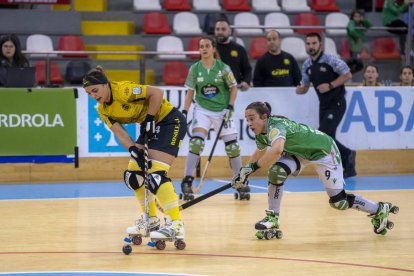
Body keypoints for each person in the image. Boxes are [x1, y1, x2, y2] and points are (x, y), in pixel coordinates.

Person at [231, 101, 399, 238]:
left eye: (252, 118)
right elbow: (260, 151)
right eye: (247, 120)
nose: (249, 123)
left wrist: (251, 169)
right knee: (276, 172)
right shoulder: (261, 133)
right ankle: (272, 217)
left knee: (339, 202)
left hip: (323, 151)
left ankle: (378, 209)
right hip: (299, 153)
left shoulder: (276, 127)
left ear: (265, 117)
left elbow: (276, 151)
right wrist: (243, 172)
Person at [82, 66, 187, 242]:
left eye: (95, 90)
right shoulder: (103, 109)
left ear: (105, 84)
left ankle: (176, 224)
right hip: (150, 126)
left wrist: (149, 118)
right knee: (133, 175)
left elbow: (157, 93)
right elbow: (119, 132)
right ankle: (151, 220)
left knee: (155, 175)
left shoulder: (123, 90)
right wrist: (132, 149)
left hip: (169, 122)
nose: (94, 96)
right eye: (89, 94)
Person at [180, 36, 248, 200]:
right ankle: (187, 181)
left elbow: (233, 88)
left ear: (213, 49)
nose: (203, 49)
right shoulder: (195, 69)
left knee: (232, 147)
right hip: (202, 110)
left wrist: (230, 107)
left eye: (207, 46)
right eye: (201, 46)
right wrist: (184, 111)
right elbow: (190, 92)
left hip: (222, 111)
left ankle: (241, 182)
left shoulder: (223, 68)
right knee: (196, 143)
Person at [296, 32, 356, 179]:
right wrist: (300, 89)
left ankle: (348, 153)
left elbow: (348, 74)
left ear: (320, 45)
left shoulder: (330, 59)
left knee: (323, 136)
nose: (311, 46)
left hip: (336, 102)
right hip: (323, 105)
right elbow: (305, 86)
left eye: (313, 43)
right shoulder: (307, 65)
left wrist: (331, 85)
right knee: (329, 140)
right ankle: (346, 168)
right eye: (308, 44)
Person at [214, 19, 252, 92]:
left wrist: (246, 81)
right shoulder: (209, 49)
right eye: (217, 29)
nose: (220, 32)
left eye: (223, 29)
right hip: (214, 91)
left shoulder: (239, 49)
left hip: (235, 91)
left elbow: (247, 70)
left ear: (230, 31)